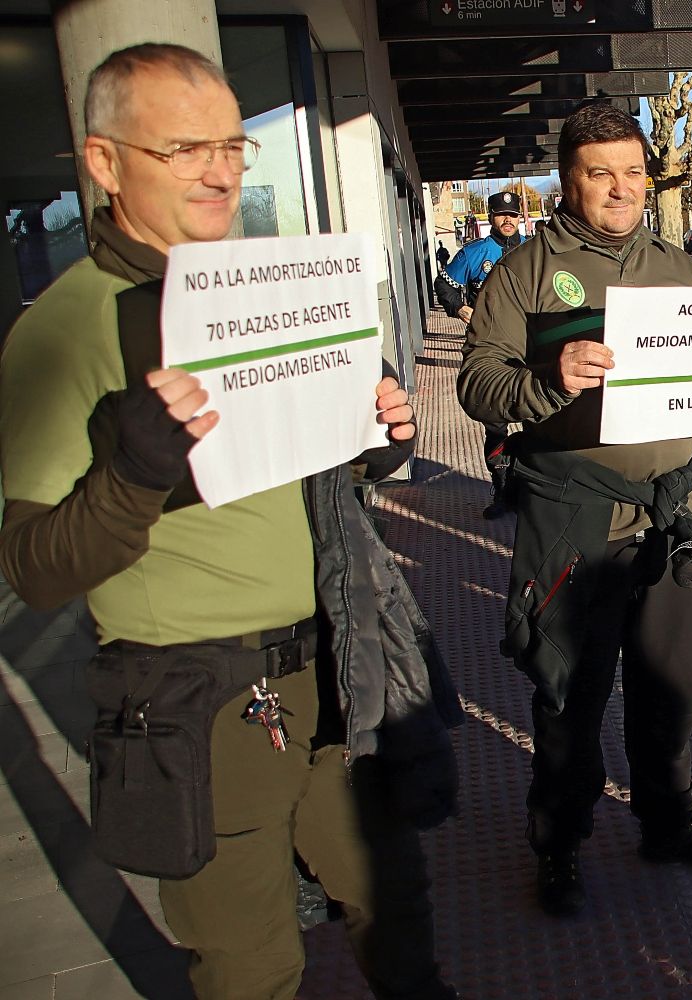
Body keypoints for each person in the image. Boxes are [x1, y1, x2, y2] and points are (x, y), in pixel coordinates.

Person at [0, 44, 460, 1000]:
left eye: (232, 145)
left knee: (399, 903)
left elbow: (318, 473)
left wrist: (372, 436)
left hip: (337, 668)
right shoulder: (66, 328)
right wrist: (132, 468)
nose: (218, 169)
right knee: (253, 965)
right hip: (197, 701)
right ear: (104, 162)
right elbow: (36, 569)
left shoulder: (268, 291)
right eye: (183, 149)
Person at [456, 101, 692, 916]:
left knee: (672, 686)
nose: (621, 189)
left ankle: (667, 820)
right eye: (600, 174)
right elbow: (476, 385)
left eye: (633, 172)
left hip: (673, 513)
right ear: (567, 181)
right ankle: (561, 843)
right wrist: (548, 378)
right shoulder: (524, 273)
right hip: (573, 518)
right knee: (569, 693)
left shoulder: (678, 266)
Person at [437, 190, 529, 518]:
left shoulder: (535, 249)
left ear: (520, 217)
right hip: (490, 350)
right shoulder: (475, 253)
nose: (508, 220)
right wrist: (459, 307)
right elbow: (444, 284)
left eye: (513, 215)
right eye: (502, 214)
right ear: (490, 217)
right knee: (495, 422)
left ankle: (537, 489)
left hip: (531, 347)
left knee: (541, 418)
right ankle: (503, 489)